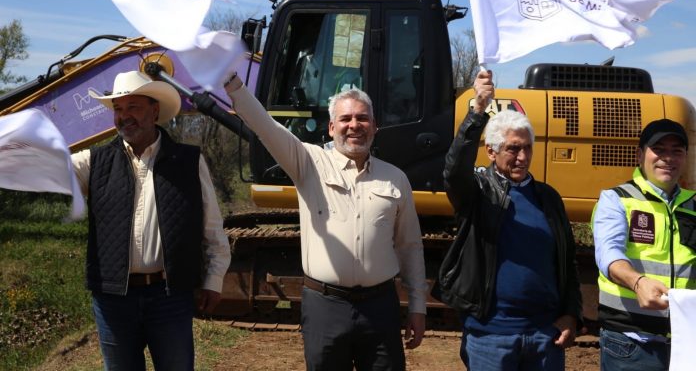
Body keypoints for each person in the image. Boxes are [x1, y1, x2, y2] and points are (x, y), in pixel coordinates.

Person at [224, 72, 427, 371]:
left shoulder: (395, 178)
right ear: (332, 127)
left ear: (375, 126)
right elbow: (266, 127)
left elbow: (410, 246)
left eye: (362, 118)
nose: (354, 125)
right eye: (345, 119)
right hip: (325, 306)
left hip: (380, 306)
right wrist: (234, 85)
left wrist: (418, 307)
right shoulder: (308, 163)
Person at [71, 71, 231, 371]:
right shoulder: (94, 162)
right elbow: (51, 169)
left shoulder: (189, 161)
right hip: (113, 301)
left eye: (133, 107)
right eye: (118, 109)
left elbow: (211, 227)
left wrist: (214, 279)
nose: (124, 116)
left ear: (154, 111)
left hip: (169, 297)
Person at [435, 69, 582, 370]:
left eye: (527, 148)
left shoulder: (548, 198)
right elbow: (454, 171)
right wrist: (477, 111)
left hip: (544, 337)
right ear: (491, 151)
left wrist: (571, 313)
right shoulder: (477, 193)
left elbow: (567, 261)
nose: (523, 157)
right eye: (513, 148)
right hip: (490, 337)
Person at [592, 118, 696, 370]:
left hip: (686, 342)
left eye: (676, 151)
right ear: (640, 155)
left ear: (685, 158)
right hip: (631, 342)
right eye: (658, 149)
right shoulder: (616, 199)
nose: (667, 158)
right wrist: (638, 282)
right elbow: (609, 253)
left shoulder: (693, 204)